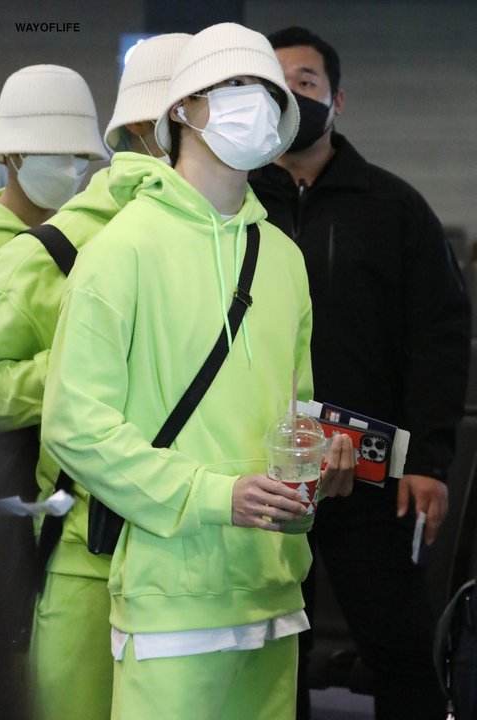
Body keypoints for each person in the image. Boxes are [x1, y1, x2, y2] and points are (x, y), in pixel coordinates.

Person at [41, 22, 354, 720]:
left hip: (274, 591)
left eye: (268, 91)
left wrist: (321, 457)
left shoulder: (283, 256)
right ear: (182, 106)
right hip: (172, 599)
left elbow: (295, 411)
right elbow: (74, 424)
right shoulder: (123, 248)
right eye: (233, 84)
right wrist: (215, 495)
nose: (256, 101)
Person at [249, 26, 471, 720]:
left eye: (306, 83)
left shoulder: (393, 207)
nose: (292, 97)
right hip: (261, 467)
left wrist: (429, 460)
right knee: (274, 647)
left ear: (337, 98)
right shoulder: (236, 203)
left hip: (371, 470)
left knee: (400, 647)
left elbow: (439, 338)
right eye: (277, 85)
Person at [0, 34, 190, 720]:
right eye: (56, 156)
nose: (74, 171)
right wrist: (77, 368)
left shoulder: (111, 235)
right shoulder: (35, 254)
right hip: (26, 504)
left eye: (83, 158)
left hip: (101, 500)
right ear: (9, 156)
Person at [0, 64, 108, 251]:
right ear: (12, 153)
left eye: (80, 154)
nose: (70, 170)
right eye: (53, 152)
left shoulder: (88, 236)